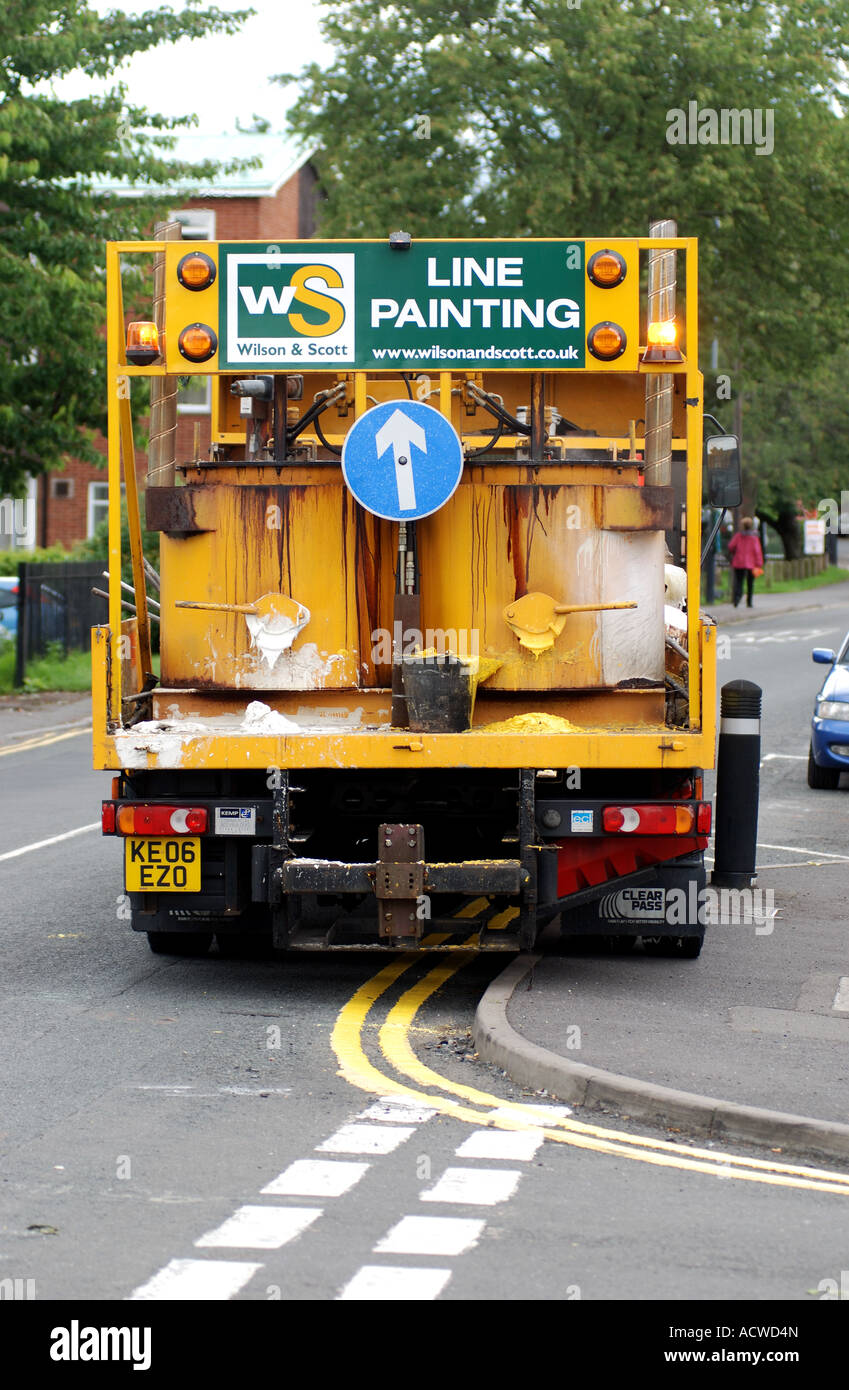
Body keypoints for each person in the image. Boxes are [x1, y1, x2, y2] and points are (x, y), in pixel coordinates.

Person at [727, 516, 764, 608]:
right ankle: (749, 602)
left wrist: (734, 552)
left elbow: (731, 546)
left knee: (739, 581)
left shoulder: (738, 536)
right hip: (751, 564)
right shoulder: (754, 537)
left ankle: (737, 599)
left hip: (739, 562)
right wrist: (759, 563)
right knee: (750, 583)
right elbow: (757, 550)